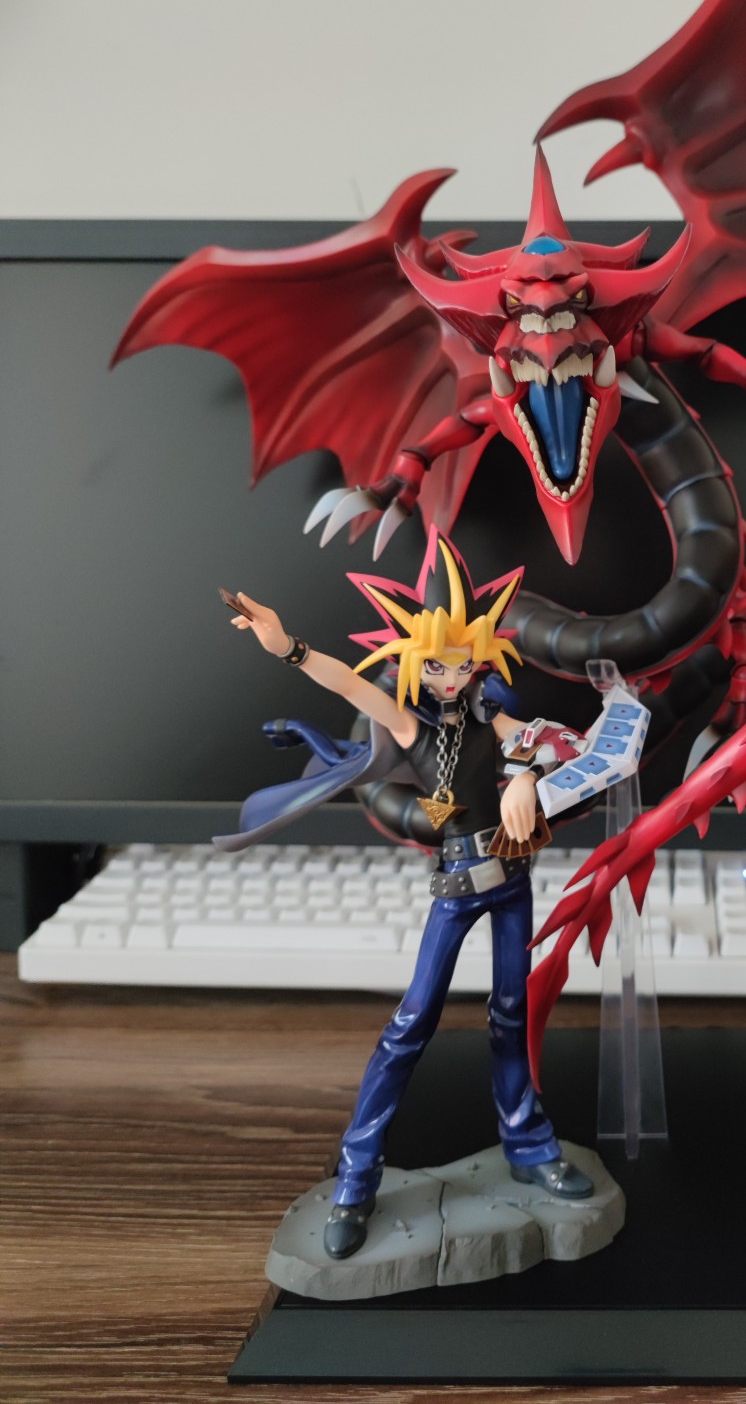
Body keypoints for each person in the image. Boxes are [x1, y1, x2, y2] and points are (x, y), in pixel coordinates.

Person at [227, 528, 593, 1261]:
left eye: (462, 662)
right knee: (410, 1025)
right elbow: (348, 683)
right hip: (457, 886)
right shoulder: (409, 725)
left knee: (512, 1014)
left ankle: (528, 1145)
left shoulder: (492, 716)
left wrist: (523, 774)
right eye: (437, 664)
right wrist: (288, 648)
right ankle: (356, 1180)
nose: (451, 676)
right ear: (416, 664)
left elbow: (556, 741)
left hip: (512, 878)